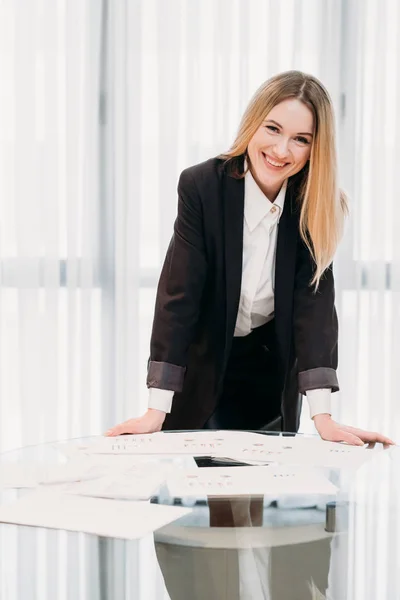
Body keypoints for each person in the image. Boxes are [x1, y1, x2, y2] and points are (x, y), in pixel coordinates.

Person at [106, 70, 393, 446]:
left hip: (267, 363)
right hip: (208, 359)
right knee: (217, 484)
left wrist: (324, 417)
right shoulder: (202, 187)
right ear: (253, 123)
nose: (281, 151)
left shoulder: (318, 204)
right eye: (273, 129)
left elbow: (315, 309)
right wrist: (155, 409)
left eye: (300, 140)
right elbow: (179, 298)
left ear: (315, 148)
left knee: (252, 487)